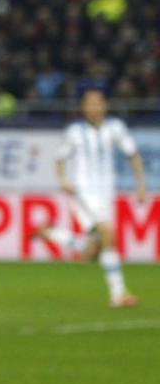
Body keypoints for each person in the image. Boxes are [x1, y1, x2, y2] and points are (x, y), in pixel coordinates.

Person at [38, 88, 147, 307]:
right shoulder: (75, 132)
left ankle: (52, 234)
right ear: (83, 108)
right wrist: (63, 180)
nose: (93, 108)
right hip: (84, 192)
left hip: (106, 193)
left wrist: (140, 185)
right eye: (89, 104)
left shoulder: (115, 127)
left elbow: (133, 154)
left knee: (94, 250)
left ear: (105, 105)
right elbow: (59, 159)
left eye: (97, 103)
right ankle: (118, 295)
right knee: (108, 233)